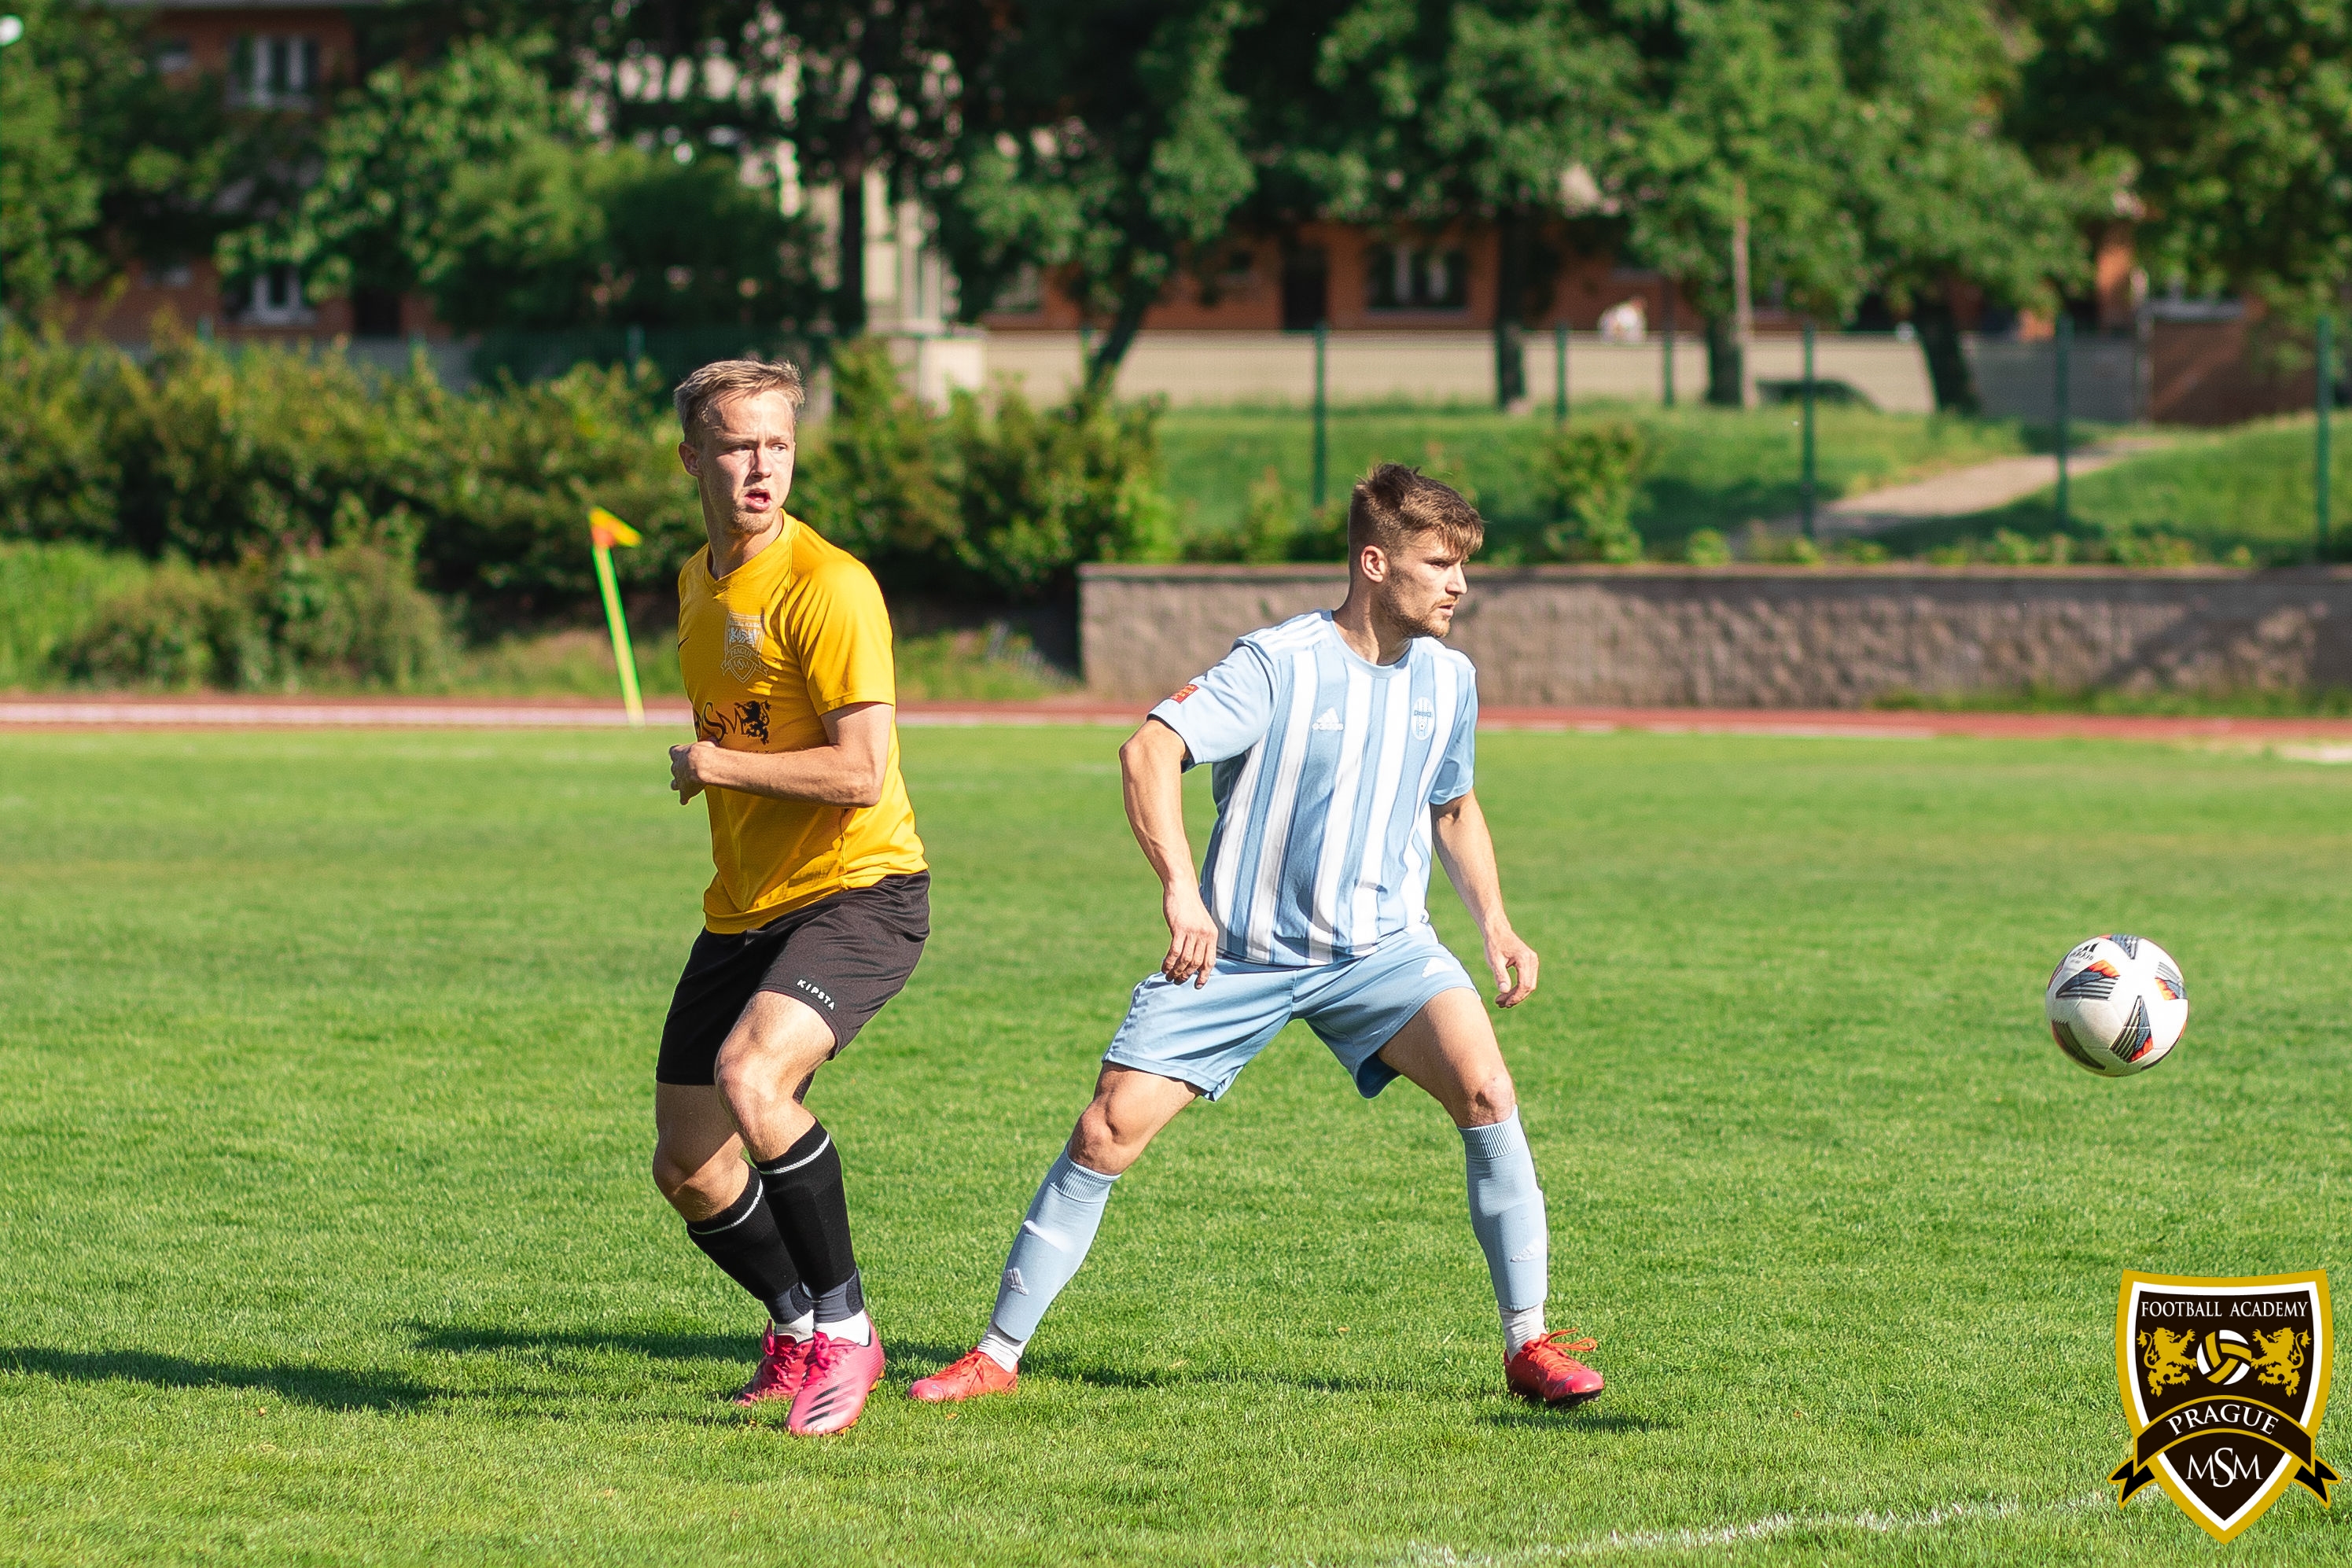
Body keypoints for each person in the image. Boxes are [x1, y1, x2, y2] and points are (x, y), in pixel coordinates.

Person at [908, 462, 1602, 1409]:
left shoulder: (1451, 678)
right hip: (1238, 954)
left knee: (1487, 1090)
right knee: (1107, 1130)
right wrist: (1181, 891)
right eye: (1440, 564)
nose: (1460, 585)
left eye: (1462, 566)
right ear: (1374, 562)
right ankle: (995, 1353)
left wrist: (1496, 923)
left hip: (1383, 953)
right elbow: (1148, 750)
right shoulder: (1277, 664)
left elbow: (1453, 804)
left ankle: (1529, 1344)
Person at [649, 357, 929, 1437]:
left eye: (777, 443)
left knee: (752, 1077)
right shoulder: (696, 582)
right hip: (744, 905)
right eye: (736, 445)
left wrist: (716, 765)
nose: (760, 465)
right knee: (689, 1163)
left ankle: (849, 1335)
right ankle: (796, 1327)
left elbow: (860, 771)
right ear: (694, 459)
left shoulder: (830, 586)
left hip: (861, 889)